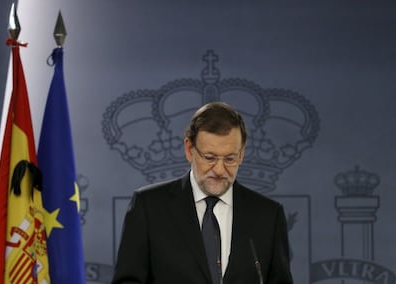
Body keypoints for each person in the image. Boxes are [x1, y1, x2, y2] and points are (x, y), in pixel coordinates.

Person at [112, 102, 293, 284]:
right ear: (189, 149)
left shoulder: (269, 215)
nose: (220, 170)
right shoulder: (148, 207)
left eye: (230, 158)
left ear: (242, 154)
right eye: (210, 158)